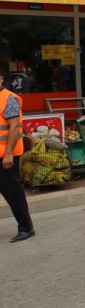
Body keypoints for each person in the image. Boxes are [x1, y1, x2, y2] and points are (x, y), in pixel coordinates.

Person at [0, 73, 35, 243]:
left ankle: (26, 228)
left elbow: (14, 128)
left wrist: (8, 154)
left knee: (13, 194)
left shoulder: (9, 99)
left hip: (6, 157)